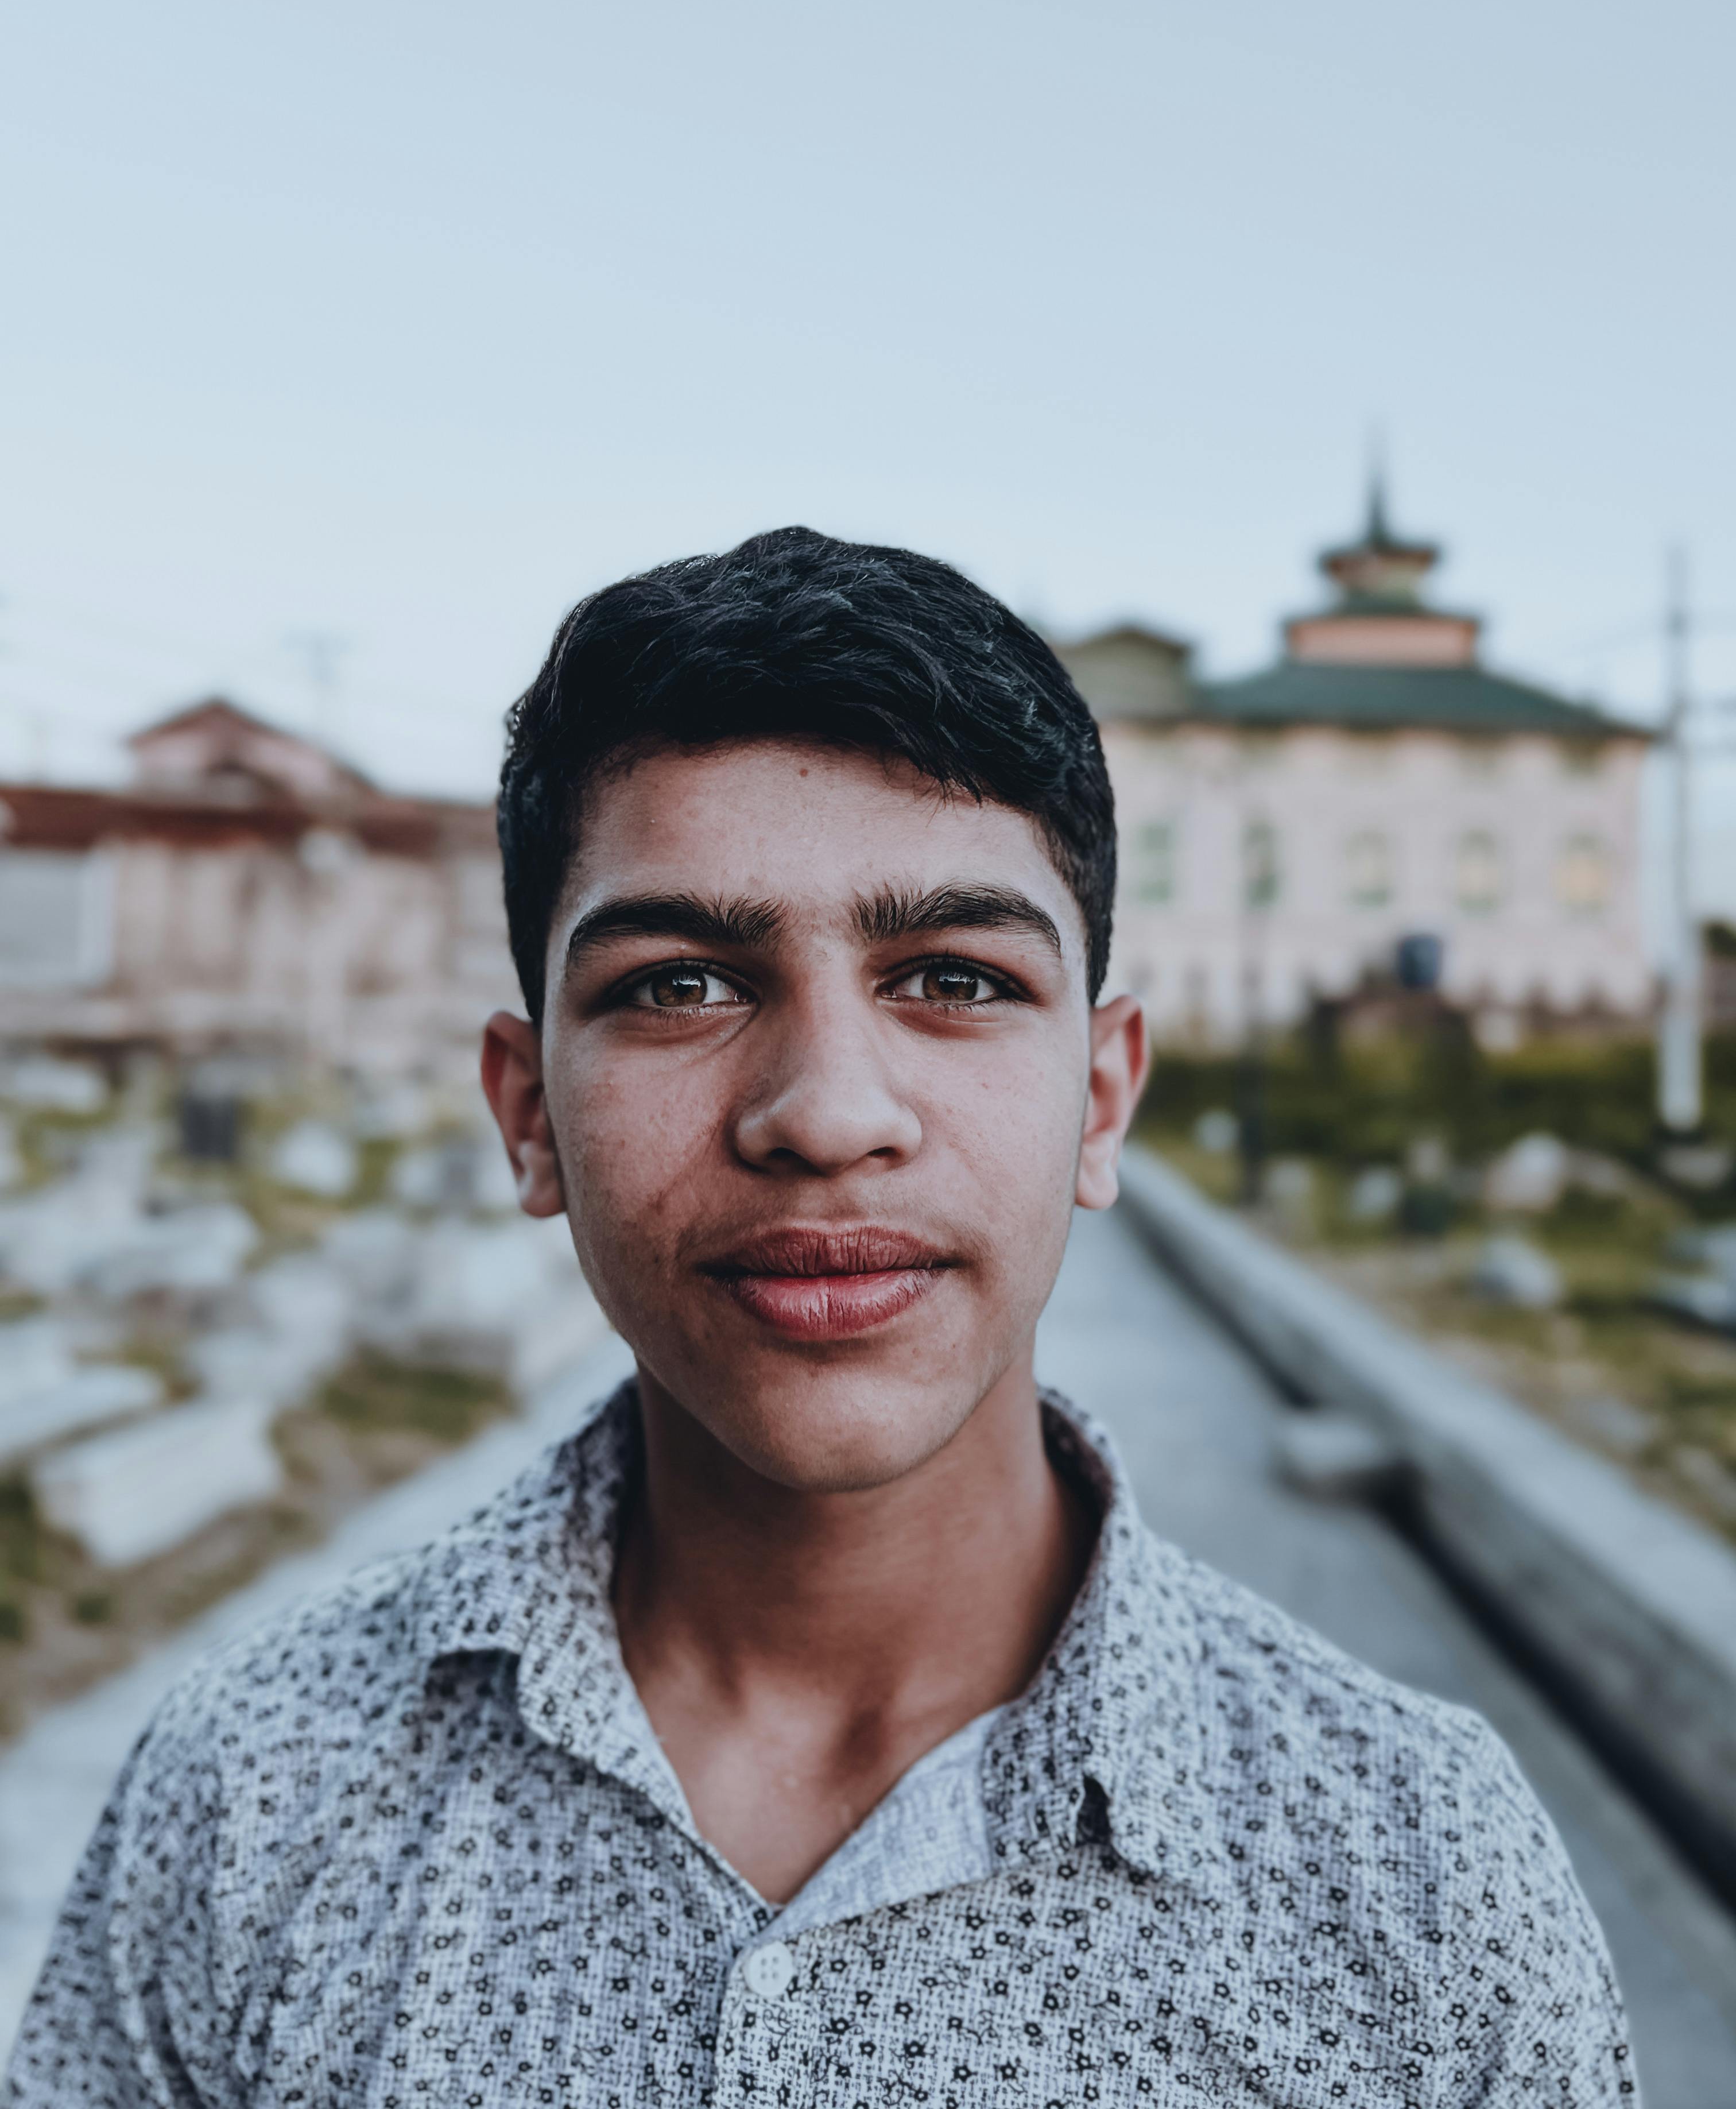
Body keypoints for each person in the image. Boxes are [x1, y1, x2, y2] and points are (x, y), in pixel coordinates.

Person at [6, 528, 1634, 2106]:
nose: (827, 1113)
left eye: (956, 977)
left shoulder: (1417, 1864)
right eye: (680, 985)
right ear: (526, 1118)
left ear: (1101, 1097)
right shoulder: (253, 1793)